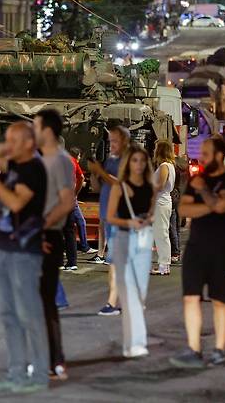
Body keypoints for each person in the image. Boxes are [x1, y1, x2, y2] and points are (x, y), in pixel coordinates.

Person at [0, 122, 49, 394]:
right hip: (7, 249)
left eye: (14, 141)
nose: (8, 147)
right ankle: (16, 373)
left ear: (29, 144)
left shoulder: (34, 169)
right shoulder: (16, 165)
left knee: (29, 313)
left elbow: (17, 203)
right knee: (8, 314)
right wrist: (8, 144)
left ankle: (39, 373)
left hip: (25, 252)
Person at [169, 137, 225, 369]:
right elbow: (183, 208)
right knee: (191, 298)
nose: (202, 157)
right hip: (196, 249)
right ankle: (194, 349)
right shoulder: (197, 179)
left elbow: (224, 206)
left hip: (223, 250)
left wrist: (206, 196)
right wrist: (212, 204)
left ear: (220, 155)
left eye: (207, 153)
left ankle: (219, 350)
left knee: (220, 302)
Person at [33, 109, 74, 379]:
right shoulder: (37, 159)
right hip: (32, 236)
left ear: (47, 130)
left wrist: (43, 228)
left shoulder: (60, 160)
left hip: (47, 237)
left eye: (36, 126)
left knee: (45, 301)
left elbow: (66, 202)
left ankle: (54, 360)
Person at [106, 144, 155, 358]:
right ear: (128, 163)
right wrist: (129, 221)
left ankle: (131, 342)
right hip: (124, 238)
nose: (138, 165)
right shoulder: (120, 187)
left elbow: (152, 212)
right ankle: (136, 342)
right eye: (135, 161)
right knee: (130, 293)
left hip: (144, 239)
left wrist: (147, 219)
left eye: (142, 161)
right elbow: (109, 217)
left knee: (140, 293)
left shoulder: (149, 187)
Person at [88, 126, 130, 316]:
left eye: (115, 141)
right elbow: (99, 187)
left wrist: (101, 173)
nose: (111, 145)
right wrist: (94, 174)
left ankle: (112, 303)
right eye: (110, 141)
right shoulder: (111, 160)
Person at [150, 140, 175, 275]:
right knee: (160, 233)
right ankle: (163, 264)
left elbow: (160, 185)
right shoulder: (168, 165)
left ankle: (164, 265)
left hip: (160, 202)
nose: (154, 150)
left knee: (161, 234)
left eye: (156, 148)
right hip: (162, 202)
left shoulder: (165, 166)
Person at [68, 147, 97, 255]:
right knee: (80, 221)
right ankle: (84, 246)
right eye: (80, 156)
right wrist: (75, 193)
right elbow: (81, 177)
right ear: (77, 156)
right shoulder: (74, 162)